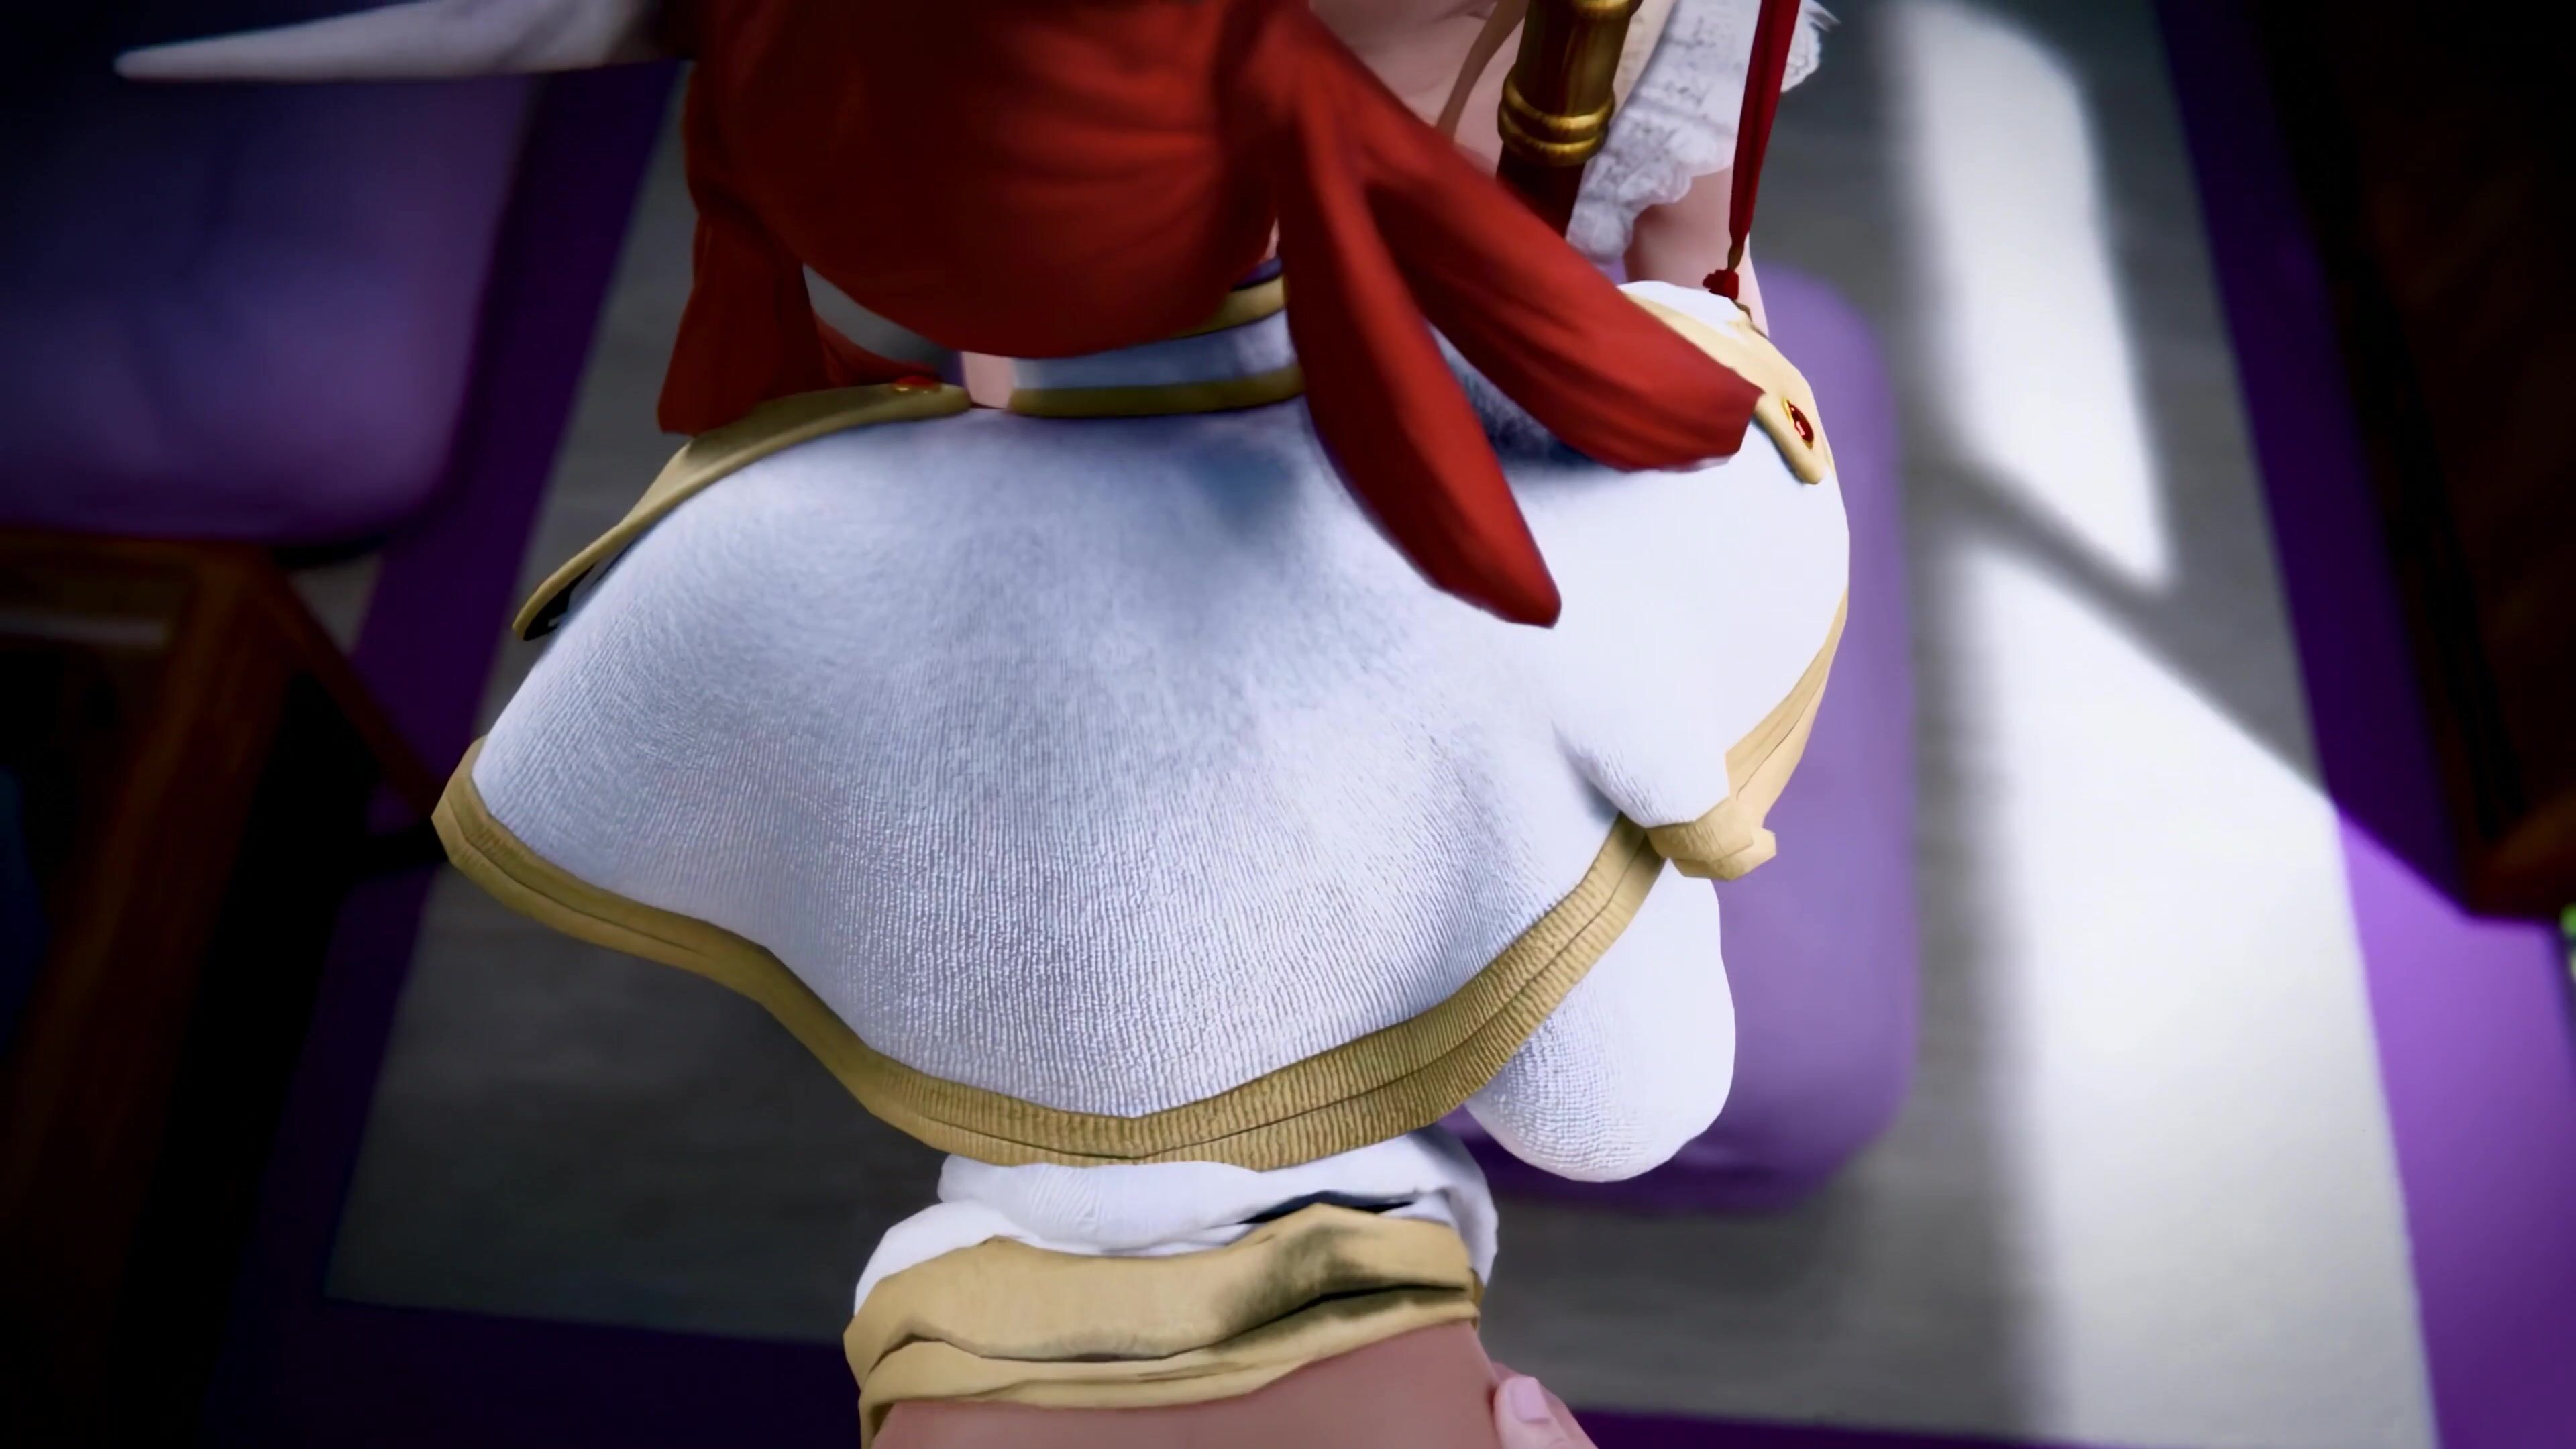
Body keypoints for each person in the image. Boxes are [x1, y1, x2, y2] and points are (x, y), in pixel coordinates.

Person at [121, 3, 1847, 1442]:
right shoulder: (1533, 589)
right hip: (1366, 1312)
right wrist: (1692, 305)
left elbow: (579, 770)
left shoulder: (742, 550)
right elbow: (1615, 1116)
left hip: (967, 1322)